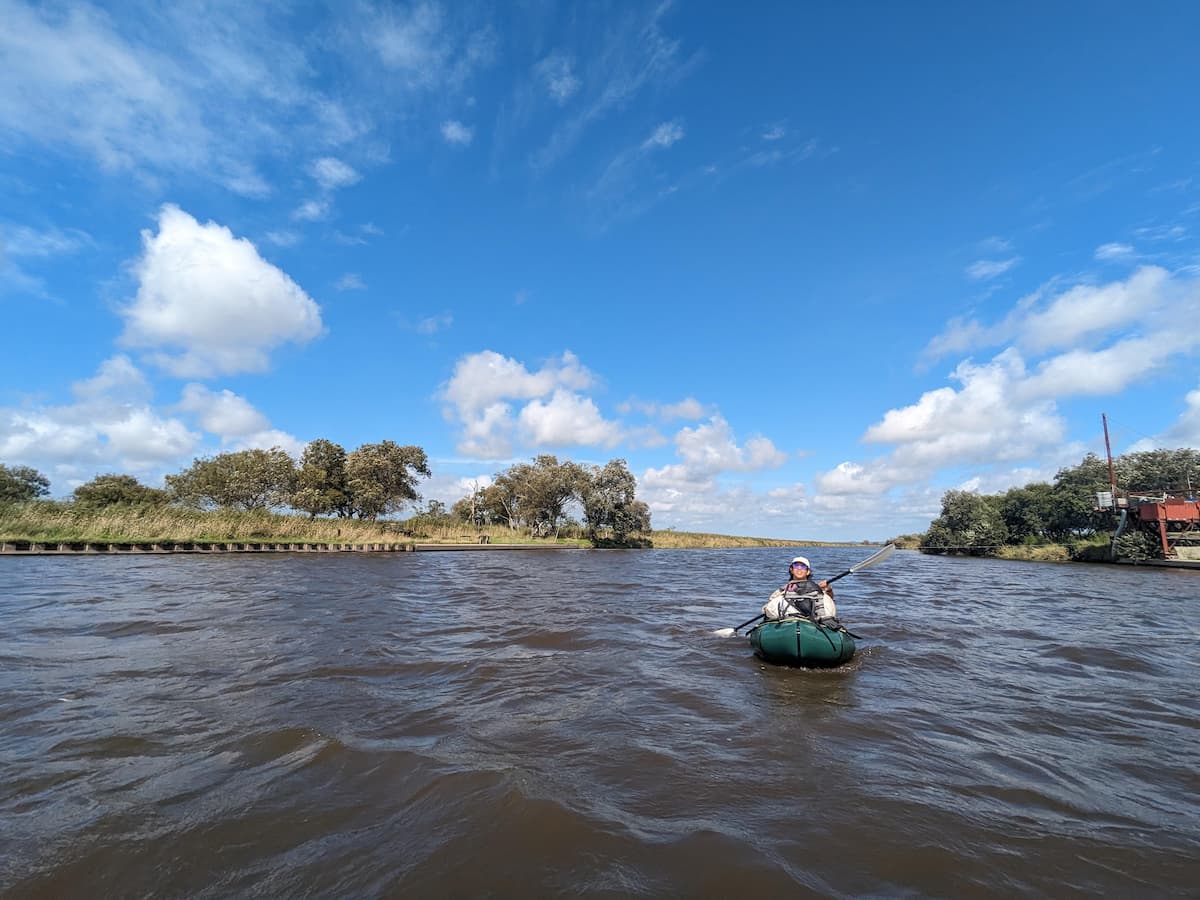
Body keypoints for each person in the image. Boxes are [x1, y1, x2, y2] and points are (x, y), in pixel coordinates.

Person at [761, 556, 838, 624]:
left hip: (811, 622)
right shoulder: (783, 590)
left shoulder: (816, 589)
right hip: (788, 622)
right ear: (791, 570)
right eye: (796, 565)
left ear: (808, 572)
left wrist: (829, 589)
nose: (799, 568)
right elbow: (768, 608)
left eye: (803, 566)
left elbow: (830, 600)